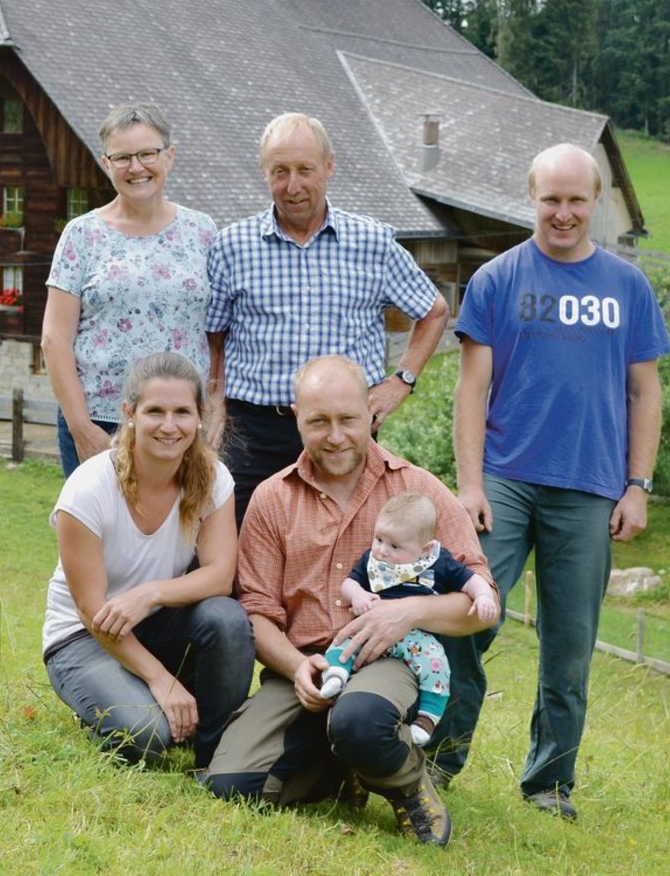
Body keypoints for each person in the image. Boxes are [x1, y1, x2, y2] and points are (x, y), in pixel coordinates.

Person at [439, 143, 670, 819]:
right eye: (550, 199)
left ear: (596, 202)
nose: (563, 213)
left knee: (569, 648)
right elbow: (472, 388)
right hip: (505, 479)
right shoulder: (497, 280)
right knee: (468, 618)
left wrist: (638, 485)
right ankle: (437, 757)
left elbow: (644, 393)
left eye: (576, 200)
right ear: (531, 198)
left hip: (590, 487)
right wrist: (470, 484)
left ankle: (548, 784)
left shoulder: (628, 287)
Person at [201, 355, 496, 848]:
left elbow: (480, 601)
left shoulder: (418, 491)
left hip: (390, 659)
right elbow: (258, 611)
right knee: (232, 784)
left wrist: (409, 611)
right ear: (297, 416)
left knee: (360, 719)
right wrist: (296, 667)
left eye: (348, 420)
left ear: (370, 412)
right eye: (318, 422)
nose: (335, 435)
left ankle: (406, 783)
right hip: (309, 666)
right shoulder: (272, 499)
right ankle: (345, 767)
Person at [205, 112, 450, 524]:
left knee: (344, 550)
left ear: (329, 166)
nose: (293, 185)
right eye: (279, 171)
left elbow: (434, 310)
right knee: (239, 549)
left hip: (344, 433)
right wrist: (215, 399)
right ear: (265, 173)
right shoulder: (232, 246)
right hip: (254, 432)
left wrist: (401, 381)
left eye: (305, 169)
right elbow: (214, 334)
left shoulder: (371, 242)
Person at [41, 352, 253, 768]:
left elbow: (220, 576)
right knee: (147, 739)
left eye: (182, 412)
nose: (169, 426)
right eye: (155, 411)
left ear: (199, 417)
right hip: (83, 637)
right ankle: (116, 703)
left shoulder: (213, 480)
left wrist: (149, 593)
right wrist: (160, 678)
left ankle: (215, 752)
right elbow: (90, 609)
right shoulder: (87, 489)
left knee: (226, 618)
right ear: (130, 413)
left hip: (153, 620)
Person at [42, 102, 217, 477]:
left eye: (147, 154)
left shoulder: (202, 231)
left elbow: (219, 333)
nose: (136, 167)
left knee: (184, 531)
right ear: (106, 164)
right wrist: (80, 427)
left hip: (182, 425)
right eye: (122, 157)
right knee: (99, 533)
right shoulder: (82, 235)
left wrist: (212, 414)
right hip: (101, 423)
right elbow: (54, 339)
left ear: (169, 156)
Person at [318, 491, 499, 748]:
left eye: (394, 546)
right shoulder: (373, 560)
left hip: (418, 637)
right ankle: (335, 675)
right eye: (379, 539)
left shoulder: (439, 562)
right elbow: (349, 583)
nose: (382, 550)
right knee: (345, 640)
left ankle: (427, 717)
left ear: (423, 548)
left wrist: (482, 597)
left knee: (437, 666)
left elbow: (471, 581)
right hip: (371, 627)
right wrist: (357, 595)